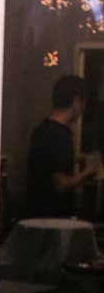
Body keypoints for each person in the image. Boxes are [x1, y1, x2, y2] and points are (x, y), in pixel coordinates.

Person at [27, 74, 98, 218]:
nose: (82, 110)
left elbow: (51, 161)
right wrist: (89, 171)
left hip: (37, 214)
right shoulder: (60, 135)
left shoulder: (42, 129)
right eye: (83, 104)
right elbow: (61, 185)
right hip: (54, 218)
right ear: (77, 102)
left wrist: (81, 158)